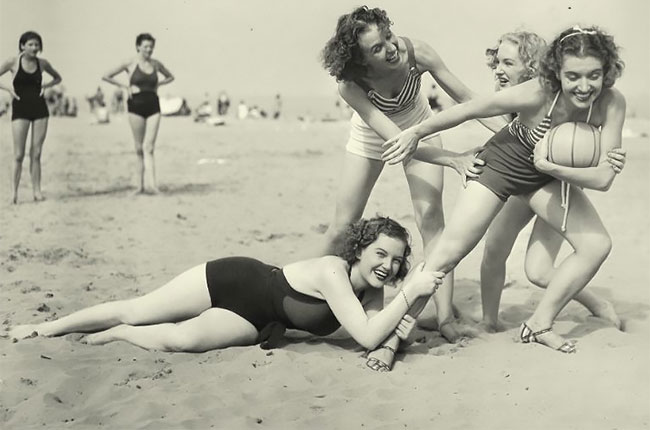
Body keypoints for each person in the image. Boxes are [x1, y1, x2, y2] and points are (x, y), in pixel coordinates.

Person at [383, 25, 626, 358]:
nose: (584, 87)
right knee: (449, 252)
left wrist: (553, 168)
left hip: (546, 175)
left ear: (607, 70)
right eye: (573, 76)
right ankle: (392, 334)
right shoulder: (537, 92)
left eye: (594, 75)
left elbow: (603, 179)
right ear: (557, 72)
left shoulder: (612, 103)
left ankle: (539, 324)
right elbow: (470, 108)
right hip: (501, 165)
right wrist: (416, 132)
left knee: (596, 244)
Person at [320, 6, 504, 363]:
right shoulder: (351, 85)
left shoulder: (417, 52)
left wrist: (513, 132)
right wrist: (454, 159)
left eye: (388, 36)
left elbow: (467, 99)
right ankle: (306, 298)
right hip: (375, 136)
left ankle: (446, 317)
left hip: (420, 124)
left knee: (431, 218)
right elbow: (396, 142)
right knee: (343, 225)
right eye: (376, 48)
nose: (390, 49)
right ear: (359, 60)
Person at [10, 217, 443, 355]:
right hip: (237, 278)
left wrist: (405, 315)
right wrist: (415, 288)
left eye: (399, 260)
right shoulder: (333, 271)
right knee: (138, 308)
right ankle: (42, 329)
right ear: (362, 249)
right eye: (380, 254)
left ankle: (118, 336)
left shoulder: (372, 291)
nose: (388, 266)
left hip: (259, 320)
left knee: (183, 341)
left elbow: (378, 334)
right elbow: (369, 334)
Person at [478, 32, 626, 332]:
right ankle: (489, 322)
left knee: (539, 272)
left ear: (532, 68)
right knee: (494, 248)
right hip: (524, 175)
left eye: (508, 62)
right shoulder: (511, 95)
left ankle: (595, 303)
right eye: (498, 62)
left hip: (557, 181)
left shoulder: (558, 94)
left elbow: (600, 165)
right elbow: (490, 118)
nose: (499, 69)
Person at [101, 33, 175, 194]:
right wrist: (124, 86)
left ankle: (153, 186)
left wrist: (158, 84)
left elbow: (170, 77)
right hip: (135, 105)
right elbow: (106, 75)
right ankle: (139, 186)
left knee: (149, 147)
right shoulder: (130, 63)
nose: (149, 50)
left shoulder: (156, 64)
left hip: (153, 105)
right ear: (138, 47)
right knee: (139, 148)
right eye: (146, 46)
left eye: (151, 47)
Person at [0, 31, 63, 203]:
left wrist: (47, 85)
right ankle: (14, 193)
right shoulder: (13, 62)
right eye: (31, 44)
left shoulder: (42, 63)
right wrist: (8, 89)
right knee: (18, 155)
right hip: (20, 109)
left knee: (36, 154)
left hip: (40, 110)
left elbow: (58, 78)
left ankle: (37, 191)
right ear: (22, 46)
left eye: (37, 45)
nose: (34, 48)